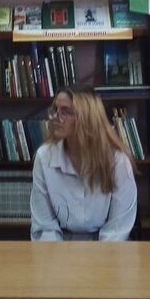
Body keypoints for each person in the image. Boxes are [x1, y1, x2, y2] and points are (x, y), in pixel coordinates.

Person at [30, 84, 137, 241]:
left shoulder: (118, 161)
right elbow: (44, 227)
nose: (55, 117)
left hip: (108, 247)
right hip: (59, 246)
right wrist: (58, 255)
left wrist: (96, 257)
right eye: (55, 110)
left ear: (87, 118)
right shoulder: (44, 157)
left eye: (65, 111)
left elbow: (118, 229)